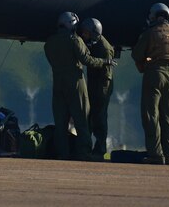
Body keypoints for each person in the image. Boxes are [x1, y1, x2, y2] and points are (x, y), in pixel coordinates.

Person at [44, 11, 116, 160]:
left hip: (58, 84)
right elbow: (87, 60)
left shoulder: (49, 43)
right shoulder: (75, 40)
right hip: (76, 83)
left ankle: (62, 153)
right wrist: (105, 61)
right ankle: (84, 153)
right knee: (82, 120)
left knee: (61, 122)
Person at [132, 2, 169, 165]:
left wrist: (145, 61)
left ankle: (155, 154)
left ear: (153, 16)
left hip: (154, 74)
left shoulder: (150, 33)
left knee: (151, 115)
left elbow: (136, 54)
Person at [79, 17, 114, 159]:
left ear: (94, 33)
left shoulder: (104, 48)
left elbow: (106, 74)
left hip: (102, 87)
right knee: (92, 116)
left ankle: (100, 149)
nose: (83, 35)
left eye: (86, 33)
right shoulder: (94, 44)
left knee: (99, 118)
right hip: (95, 84)